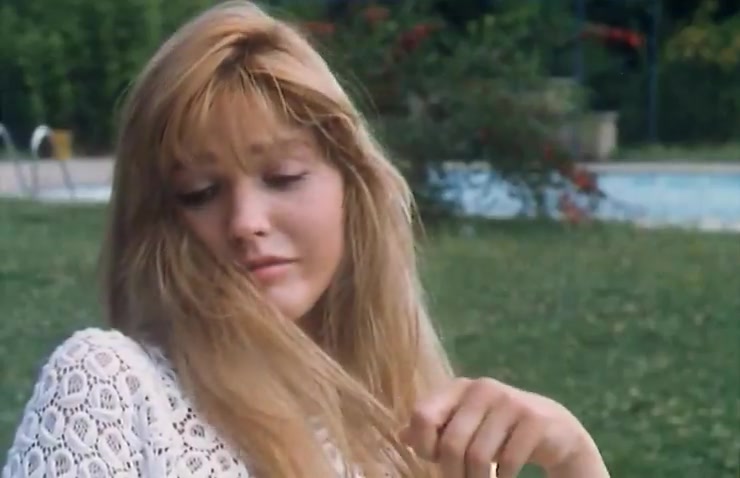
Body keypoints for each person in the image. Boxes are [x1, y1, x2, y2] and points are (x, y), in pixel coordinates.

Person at [2, 2, 610, 477]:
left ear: (352, 186)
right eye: (200, 192)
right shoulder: (113, 387)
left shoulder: (403, 422)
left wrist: (574, 459)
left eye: (283, 177)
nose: (245, 221)